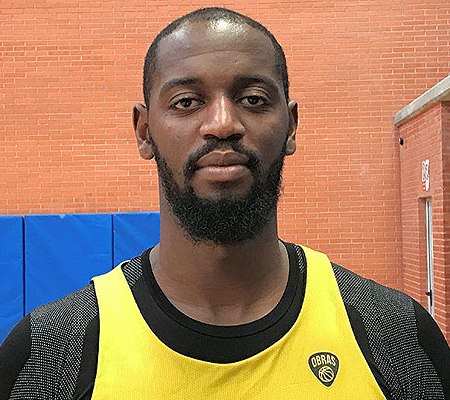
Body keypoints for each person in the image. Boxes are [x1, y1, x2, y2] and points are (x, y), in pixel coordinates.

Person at [1, 7, 449, 400]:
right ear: (144, 131)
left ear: (291, 126)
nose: (222, 124)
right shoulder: (49, 357)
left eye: (253, 99)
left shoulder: (396, 338)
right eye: (186, 102)